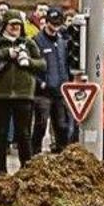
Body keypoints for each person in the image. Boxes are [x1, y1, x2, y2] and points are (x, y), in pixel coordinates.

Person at [0, 11, 46, 175]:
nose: (15, 28)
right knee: (1, 133)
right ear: (5, 26)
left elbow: (42, 64)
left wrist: (27, 60)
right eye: (12, 24)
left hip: (24, 94)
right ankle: (1, 170)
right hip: (0, 94)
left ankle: (26, 170)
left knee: (24, 134)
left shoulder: (28, 43)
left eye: (18, 25)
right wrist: (6, 54)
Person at [30, 11, 76, 154]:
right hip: (43, 92)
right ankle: (34, 155)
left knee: (62, 126)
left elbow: (65, 63)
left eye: (58, 24)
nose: (55, 27)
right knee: (40, 125)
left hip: (60, 91)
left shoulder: (61, 41)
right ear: (47, 22)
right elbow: (31, 66)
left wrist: (67, 81)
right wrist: (40, 83)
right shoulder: (36, 41)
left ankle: (62, 155)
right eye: (53, 23)